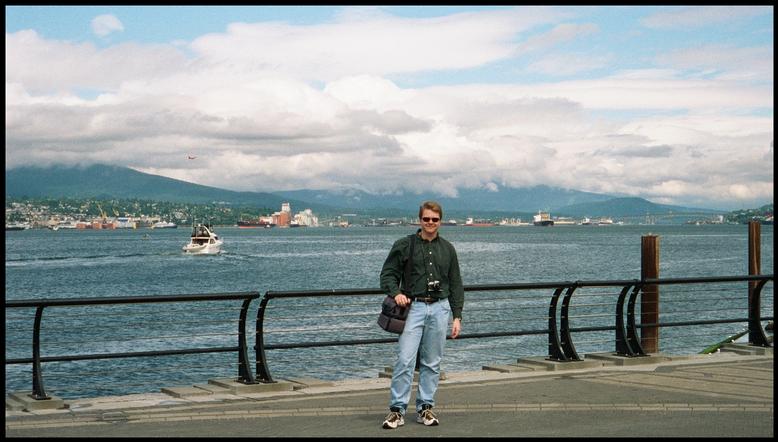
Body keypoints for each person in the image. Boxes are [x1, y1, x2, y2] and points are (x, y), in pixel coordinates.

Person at [379, 200, 464, 429]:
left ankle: (425, 408)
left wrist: (457, 316)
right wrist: (396, 293)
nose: (430, 223)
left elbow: (456, 284)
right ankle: (397, 410)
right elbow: (387, 275)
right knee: (405, 360)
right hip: (413, 308)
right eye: (426, 219)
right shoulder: (404, 245)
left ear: (440, 221)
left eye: (434, 219)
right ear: (420, 220)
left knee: (432, 362)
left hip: (440, 308)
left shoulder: (448, 249)